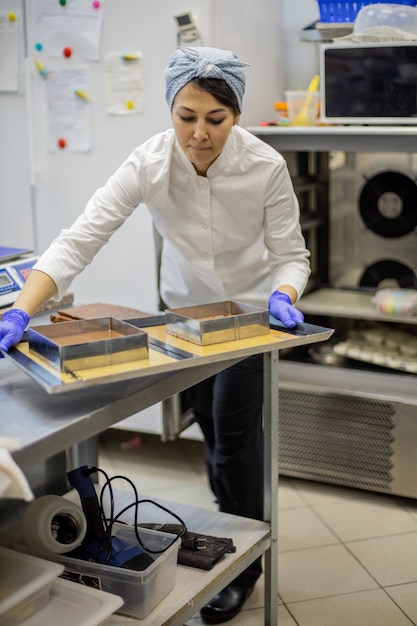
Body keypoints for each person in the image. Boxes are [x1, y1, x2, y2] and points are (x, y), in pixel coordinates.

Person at [0, 47, 310, 623]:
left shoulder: (265, 166)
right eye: (185, 116)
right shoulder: (148, 162)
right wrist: (20, 310)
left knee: (233, 443)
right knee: (209, 427)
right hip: (182, 316)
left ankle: (246, 567)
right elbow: (79, 240)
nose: (198, 134)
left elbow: (292, 255)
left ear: (236, 115)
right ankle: (230, 531)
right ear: (170, 109)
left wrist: (283, 295)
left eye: (215, 120)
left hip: (246, 318)